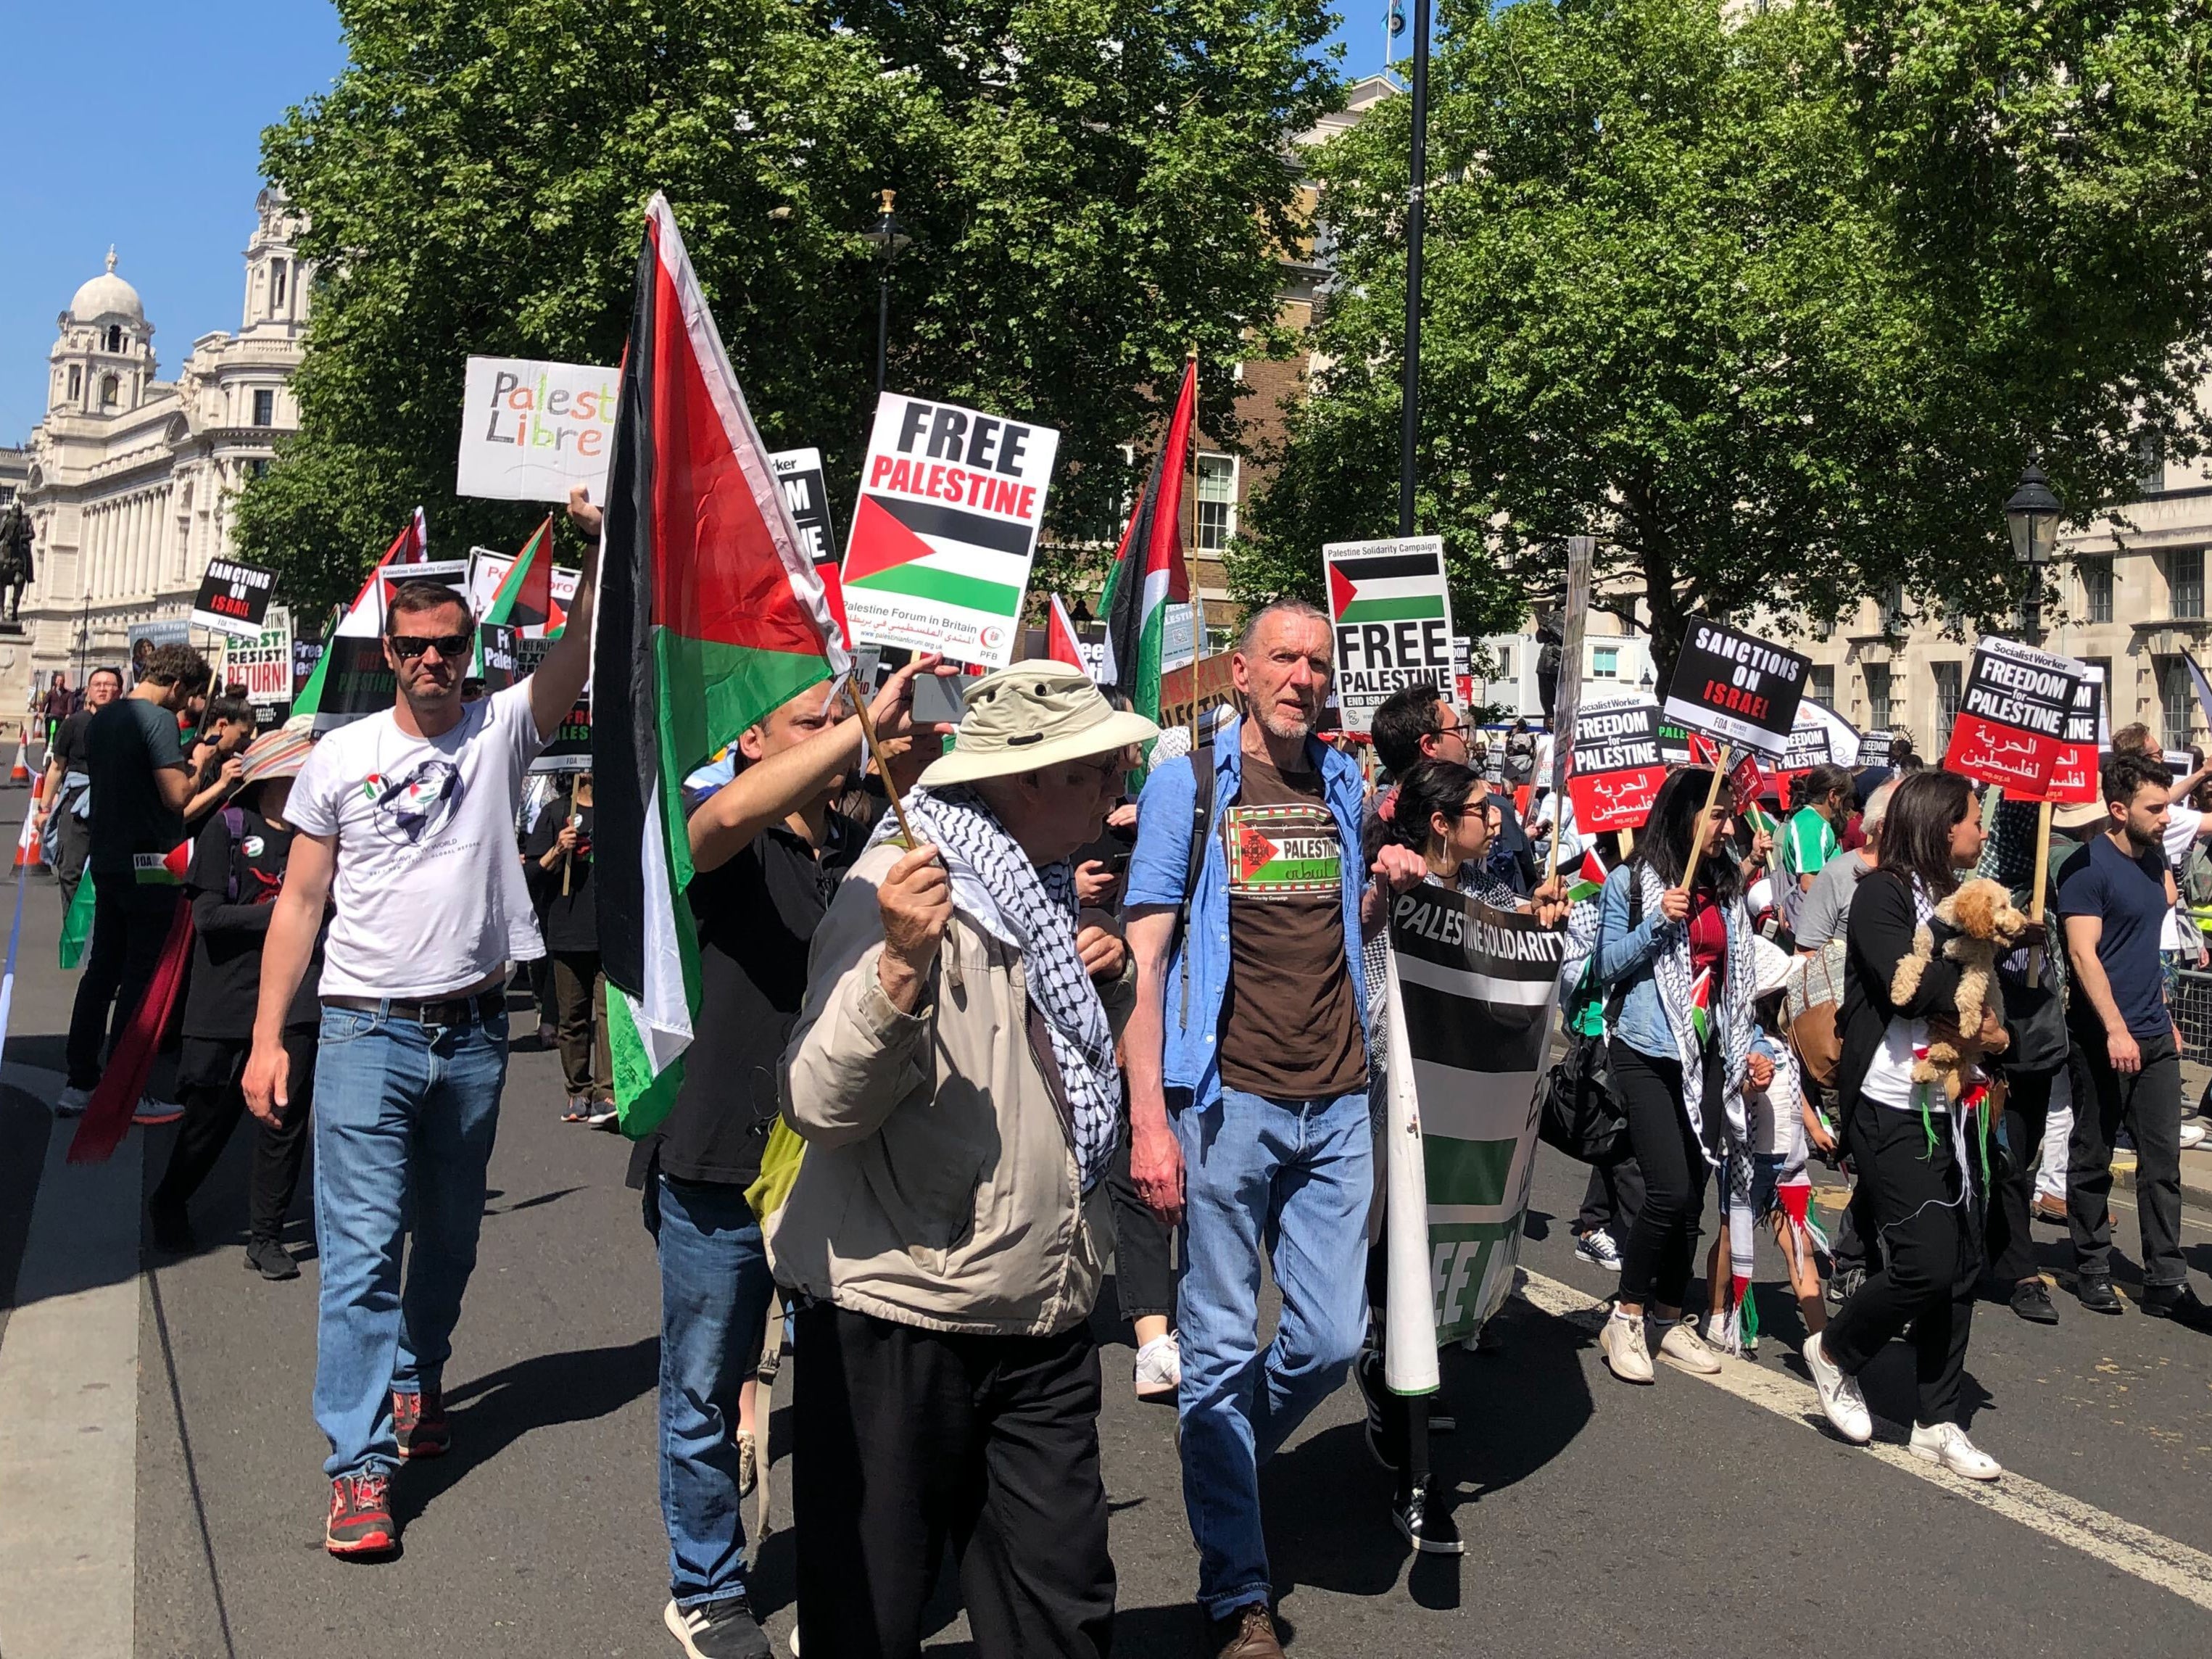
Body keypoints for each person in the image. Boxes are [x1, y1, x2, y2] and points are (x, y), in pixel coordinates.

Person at [774, 661, 1153, 1659]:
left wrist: (1094, 993)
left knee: (1059, 1614)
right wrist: (897, 969)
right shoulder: (898, 886)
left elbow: (1042, 1083)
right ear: (1025, 779)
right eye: (1095, 772)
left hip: (1043, 1316)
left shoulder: (1035, 890)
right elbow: (818, 1102)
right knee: (869, 1619)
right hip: (901, 1318)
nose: (1116, 794)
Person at [241, 508, 598, 1558]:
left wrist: (600, 540)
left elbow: (579, 649)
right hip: (362, 1035)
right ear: (388, 654)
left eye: (452, 645)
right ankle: (356, 1468)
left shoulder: (505, 727)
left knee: (448, 1238)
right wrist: (270, 1038)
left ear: (471, 652)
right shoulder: (338, 757)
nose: (435, 660)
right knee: (357, 1258)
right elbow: (300, 905)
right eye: (416, 646)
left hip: (476, 1034)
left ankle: (416, 1374)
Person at [635, 657, 948, 1659]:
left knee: (842, 1391)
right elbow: (714, 824)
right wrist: (854, 736)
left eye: (838, 717)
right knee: (703, 1383)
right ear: (756, 743)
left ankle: (838, 1577)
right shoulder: (720, 838)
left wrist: (918, 737)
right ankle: (708, 1588)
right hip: (718, 1153)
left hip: (836, 1158)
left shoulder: (866, 842)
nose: (834, 730)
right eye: (810, 721)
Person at [1124, 600, 1380, 1657]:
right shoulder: (1185, 785)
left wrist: (1389, 890)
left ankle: (1216, 1451)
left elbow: (1332, 917)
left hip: (1341, 1102)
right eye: (1282, 657)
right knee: (1222, 1346)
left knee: (1330, 1336)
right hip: (1228, 1105)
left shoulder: (1342, 784)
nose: (1300, 677)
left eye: (1316, 663)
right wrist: (1150, 1121)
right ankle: (1238, 1591)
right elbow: (1144, 961)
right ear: (1239, 671)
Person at [1807, 770, 2003, 1479]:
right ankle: (1835, 1352)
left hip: (1948, 1105)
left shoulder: (1954, 901)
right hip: (1887, 1105)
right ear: (1940, 824)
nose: (1982, 833)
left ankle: (1937, 1419)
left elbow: (1982, 990)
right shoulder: (1880, 895)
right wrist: (1971, 993)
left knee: (1961, 1264)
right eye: (1974, 819)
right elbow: (1910, 984)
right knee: (1922, 1258)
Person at [1589, 766, 1757, 1386]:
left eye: (1729, 815)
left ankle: (1666, 1316)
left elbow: (1736, 982)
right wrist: (1656, 921)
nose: (1726, 827)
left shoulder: (1726, 886)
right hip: (1645, 1047)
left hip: (1705, 1054)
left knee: (1693, 1197)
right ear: (1683, 814)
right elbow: (1603, 967)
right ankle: (1625, 1314)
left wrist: (1751, 1046)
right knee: (1667, 1190)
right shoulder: (1629, 882)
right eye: (1715, 814)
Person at [145, 727, 321, 1277]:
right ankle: (171, 1198)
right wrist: (287, 914)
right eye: (300, 777)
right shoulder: (228, 828)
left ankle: (265, 1237)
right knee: (210, 1121)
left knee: (283, 1117)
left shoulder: (320, 839)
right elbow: (208, 919)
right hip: (225, 998)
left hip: (295, 996)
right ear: (273, 780)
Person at [2056, 753, 2212, 1328]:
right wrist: (2116, 1027)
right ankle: (2092, 1265)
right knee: (2093, 1152)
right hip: (2102, 1036)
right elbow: (2082, 954)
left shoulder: (2152, 866)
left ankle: (2165, 1279)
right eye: (2155, 808)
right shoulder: (2084, 868)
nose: (2166, 816)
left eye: (2166, 805)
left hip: (2154, 1033)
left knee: (2162, 1162)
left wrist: (2163, 1014)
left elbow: (2144, 950)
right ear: (2117, 810)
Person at [57, 642, 214, 1121]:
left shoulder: (105, 718)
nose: (184, 705)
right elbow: (175, 797)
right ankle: (124, 1088)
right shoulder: (158, 720)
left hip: (108, 857)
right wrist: (202, 762)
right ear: (176, 685)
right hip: (150, 863)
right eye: (186, 696)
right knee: (140, 981)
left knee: (102, 971)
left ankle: (80, 1080)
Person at [523, 773, 613, 1125]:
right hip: (567, 929)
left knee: (608, 1016)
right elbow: (532, 875)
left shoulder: (618, 809)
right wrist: (557, 850)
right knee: (572, 1017)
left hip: (609, 931)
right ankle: (578, 1090)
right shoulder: (555, 812)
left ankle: (607, 1093)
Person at [37, 664, 122, 911]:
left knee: (109, 875)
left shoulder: (129, 724)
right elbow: (56, 768)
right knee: (70, 870)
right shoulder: (74, 724)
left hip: (114, 807)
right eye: (98, 685)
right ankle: (74, 932)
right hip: (76, 806)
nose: (103, 689)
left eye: (110, 685)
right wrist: (44, 807)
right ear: (88, 691)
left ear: (119, 692)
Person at [1778, 764, 1854, 903]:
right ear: (1833, 796)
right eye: (1848, 797)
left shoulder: (1819, 823)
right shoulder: (1810, 823)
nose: (1851, 803)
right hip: (1813, 914)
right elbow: (1809, 883)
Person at [183, 695, 258, 830]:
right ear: (222, 726)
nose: (246, 743)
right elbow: (183, 813)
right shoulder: (191, 756)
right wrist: (221, 785)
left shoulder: (232, 760)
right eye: (243, 735)